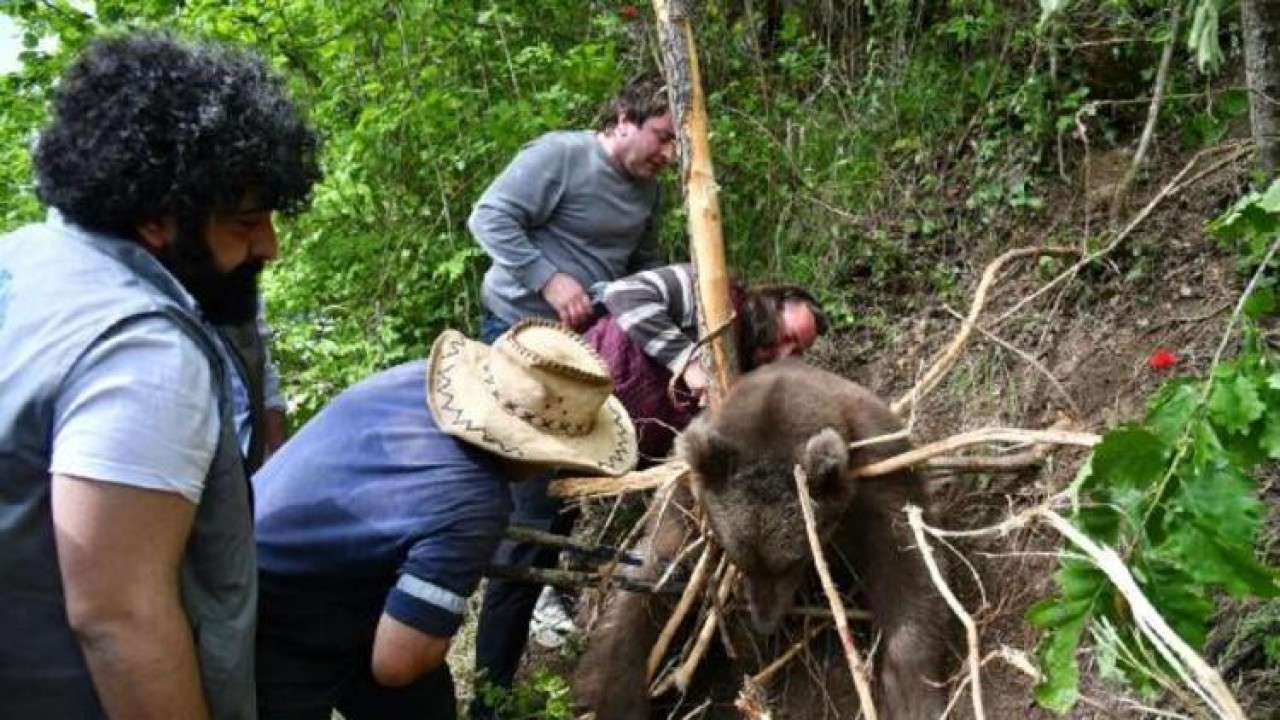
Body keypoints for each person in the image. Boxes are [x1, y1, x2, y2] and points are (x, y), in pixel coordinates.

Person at [0, 31, 320, 720]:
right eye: (245, 223)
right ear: (155, 219)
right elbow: (119, 619)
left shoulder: (25, 260)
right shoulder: (143, 352)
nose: (268, 245)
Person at [252, 320, 637, 720]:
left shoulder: (412, 379)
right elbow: (397, 665)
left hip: (274, 559)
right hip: (273, 620)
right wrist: (444, 612)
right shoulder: (474, 502)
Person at [466, 73, 676, 706]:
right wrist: (549, 279)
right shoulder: (560, 156)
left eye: (676, 145)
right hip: (519, 339)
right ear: (624, 121)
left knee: (560, 497)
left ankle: (541, 598)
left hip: (585, 354)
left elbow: (641, 269)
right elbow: (489, 216)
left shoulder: (648, 191)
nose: (668, 155)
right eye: (662, 137)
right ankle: (490, 698)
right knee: (529, 513)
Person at [584, 262, 829, 465]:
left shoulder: (744, 381)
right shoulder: (705, 288)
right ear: (772, 304)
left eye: (795, 351)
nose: (783, 353)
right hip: (577, 383)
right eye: (789, 336)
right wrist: (686, 361)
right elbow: (623, 293)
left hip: (605, 455)